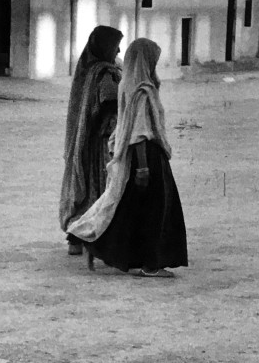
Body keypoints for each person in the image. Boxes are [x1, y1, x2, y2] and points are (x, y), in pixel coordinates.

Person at [65, 37, 188, 278]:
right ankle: (151, 264)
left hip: (133, 155)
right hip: (147, 156)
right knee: (157, 211)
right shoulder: (143, 90)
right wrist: (143, 168)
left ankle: (100, 244)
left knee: (128, 207)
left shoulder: (128, 84)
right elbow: (141, 131)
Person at [59, 25, 123, 255]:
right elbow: (108, 97)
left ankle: (76, 238)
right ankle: (88, 237)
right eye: (116, 46)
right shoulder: (104, 72)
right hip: (101, 140)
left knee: (86, 187)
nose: (119, 51)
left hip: (87, 139)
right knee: (100, 188)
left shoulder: (87, 69)